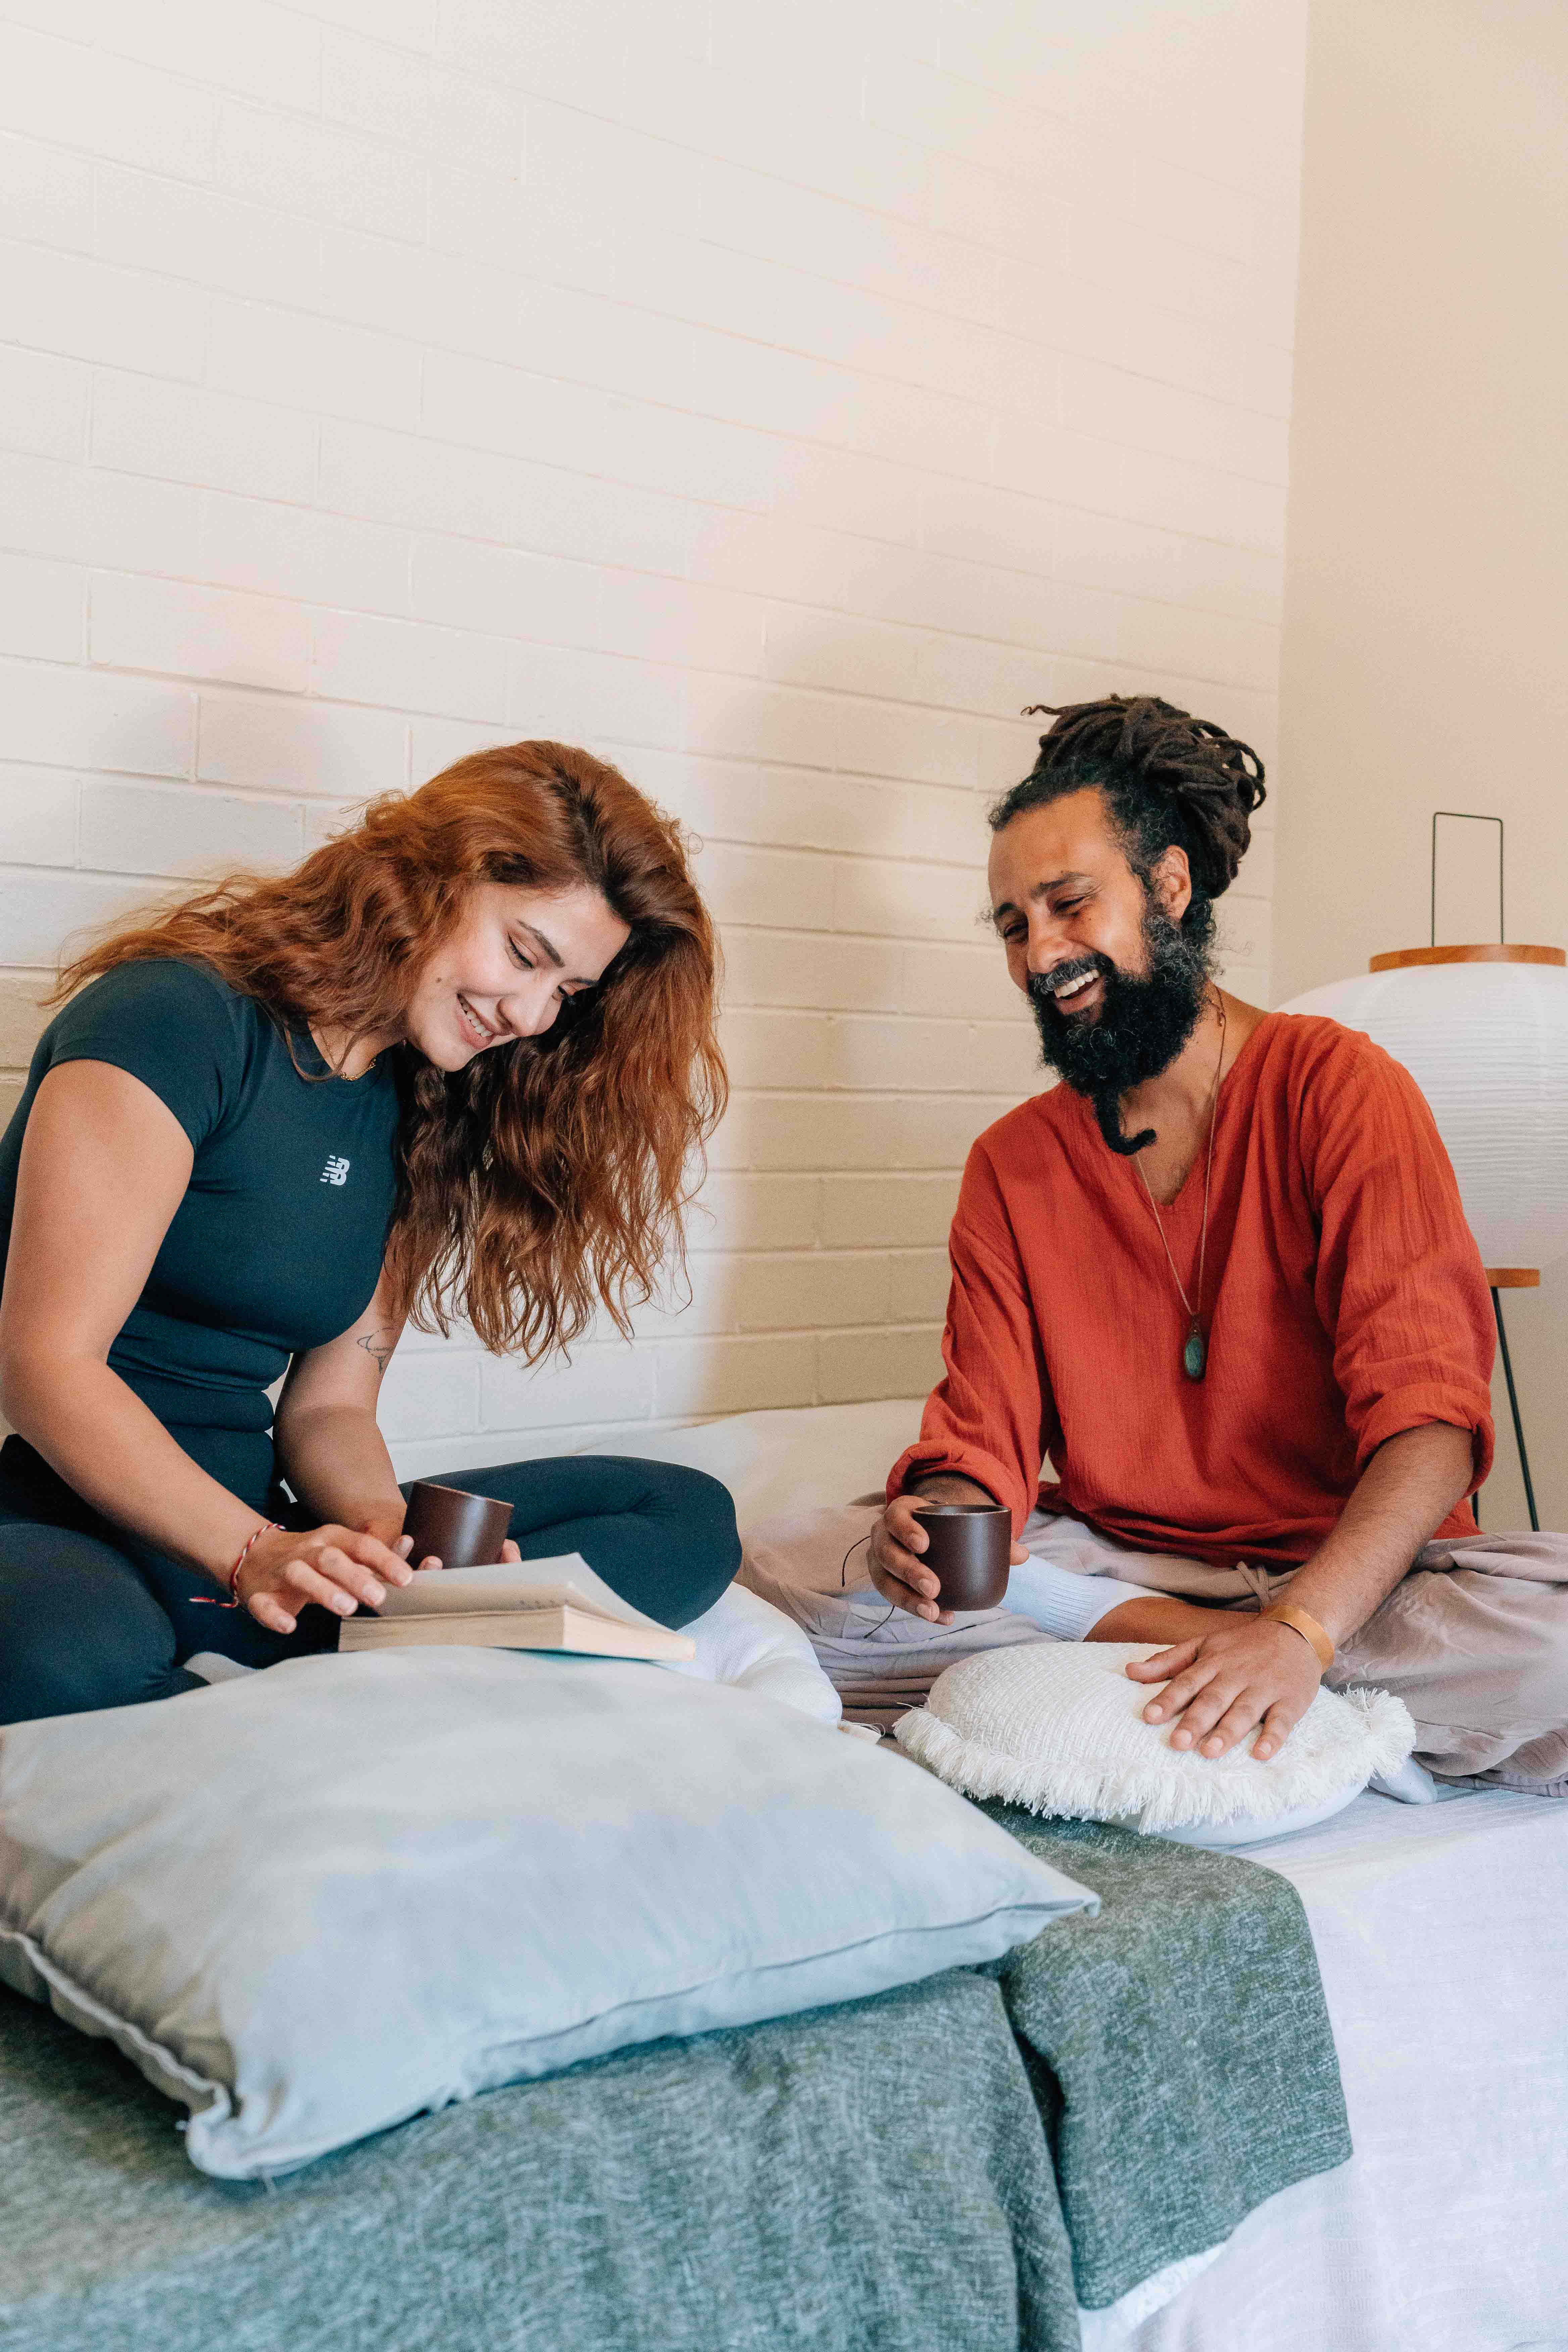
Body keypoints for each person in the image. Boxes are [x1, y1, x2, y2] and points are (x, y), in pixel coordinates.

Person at [869, 694, 1568, 1792]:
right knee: (807, 1570)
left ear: (1170, 886)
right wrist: (934, 1526)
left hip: (1353, 1577)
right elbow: (981, 1441)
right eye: (1013, 925)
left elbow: (1432, 1428)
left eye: (1067, 903)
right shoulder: (1012, 1162)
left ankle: (1226, 1656)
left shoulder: (1342, 1089)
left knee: (1553, 1647)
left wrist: (1300, 1627)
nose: (1039, 952)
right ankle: (1228, 1655)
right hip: (1119, 1557)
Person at [0, 742, 740, 1726]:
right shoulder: (174, 1020)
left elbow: (330, 1411)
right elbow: (45, 1364)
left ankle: (377, 1652)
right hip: (72, 1521)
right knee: (60, 1655)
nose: (528, 1014)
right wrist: (249, 1551)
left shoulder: (420, 1104)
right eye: (526, 955)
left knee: (684, 1514)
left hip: (268, 1530)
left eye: (565, 994)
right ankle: (353, 1692)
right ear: (431, 875)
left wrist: (384, 1537)